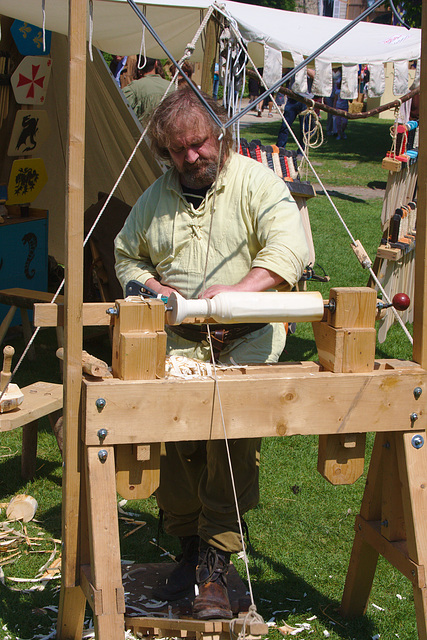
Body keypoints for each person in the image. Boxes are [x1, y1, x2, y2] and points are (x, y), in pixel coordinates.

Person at [114, 89, 309, 620]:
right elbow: (126, 255)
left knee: (228, 447)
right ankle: (187, 551)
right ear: (167, 153)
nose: (191, 158)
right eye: (178, 151)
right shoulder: (155, 199)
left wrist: (234, 298)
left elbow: (289, 249)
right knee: (176, 447)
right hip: (178, 349)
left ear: (217, 135)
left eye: (198, 144)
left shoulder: (257, 183)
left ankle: (216, 565)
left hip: (246, 341)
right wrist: (158, 292)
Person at [123, 57, 174, 123]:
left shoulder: (134, 88)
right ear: (156, 63)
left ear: (137, 65)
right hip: (167, 132)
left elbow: (119, 109)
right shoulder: (172, 87)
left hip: (143, 132)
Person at [276, 68, 315, 149]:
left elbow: (315, 76)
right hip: (292, 98)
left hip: (306, 100)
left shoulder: (313, 63)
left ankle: (301, 151)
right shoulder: (296, 59)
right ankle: (280, 149)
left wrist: (303, 66)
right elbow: (283, 70)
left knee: (305, 129)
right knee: (285, 126)